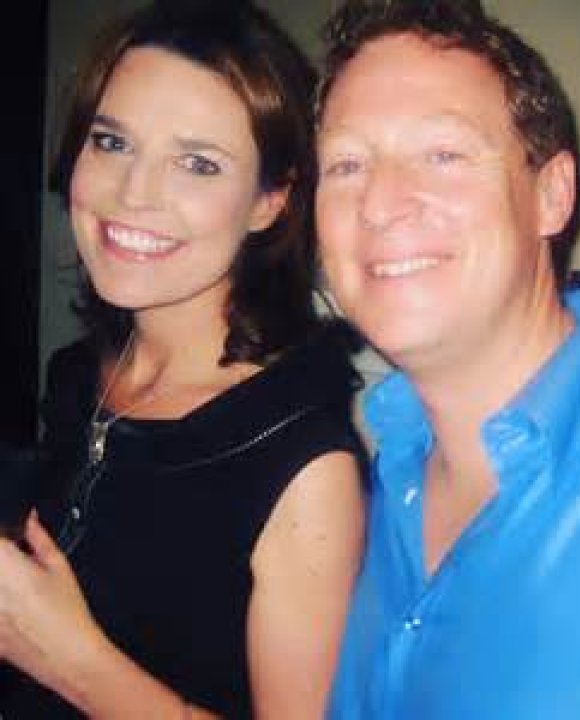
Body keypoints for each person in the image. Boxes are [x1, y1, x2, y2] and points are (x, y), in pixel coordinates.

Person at [314, 0, 580, 717]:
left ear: (551, 195)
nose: (378, 203)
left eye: (443, 154)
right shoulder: (387, 467)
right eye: (347, 163)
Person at [0, 2, 365, 718]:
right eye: (112, 142)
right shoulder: (84, 373)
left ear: (270, 201)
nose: (133, 194)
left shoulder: (304, 467)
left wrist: (72, 660)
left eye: (197, 163)